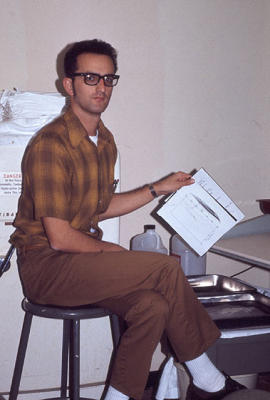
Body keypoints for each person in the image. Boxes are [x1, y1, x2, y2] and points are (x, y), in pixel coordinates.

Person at [10, 39, 246, 400]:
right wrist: (109, 250)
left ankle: (119, 397)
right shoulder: (50, 144)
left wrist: (158, 188)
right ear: (68, 85)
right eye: (90, 78)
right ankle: (209, 381)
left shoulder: (103, 141)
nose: (101, 87)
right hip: (47, 267)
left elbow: (98, 208)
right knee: (164, 268)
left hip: (81, 265)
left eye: (108, 79)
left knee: (153, 305)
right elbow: (59, 236)